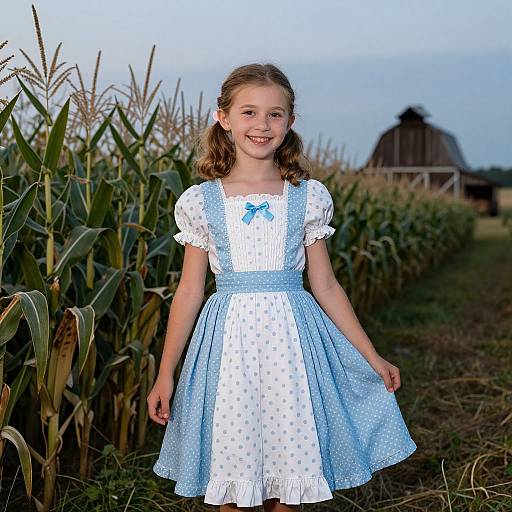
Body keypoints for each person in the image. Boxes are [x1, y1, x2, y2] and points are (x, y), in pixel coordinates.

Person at [147, 63, 416, 512]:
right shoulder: (201, 201)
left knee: (289, 476)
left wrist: (372, 356)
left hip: (292, 348)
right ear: (224, 118)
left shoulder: (307, 196)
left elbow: (326, 286)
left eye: (275, 114)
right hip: (227, 349)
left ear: (290, 123)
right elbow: (191, 291)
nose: (262, 124)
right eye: (249, 112)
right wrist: (165, 372)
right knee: (232, 477)